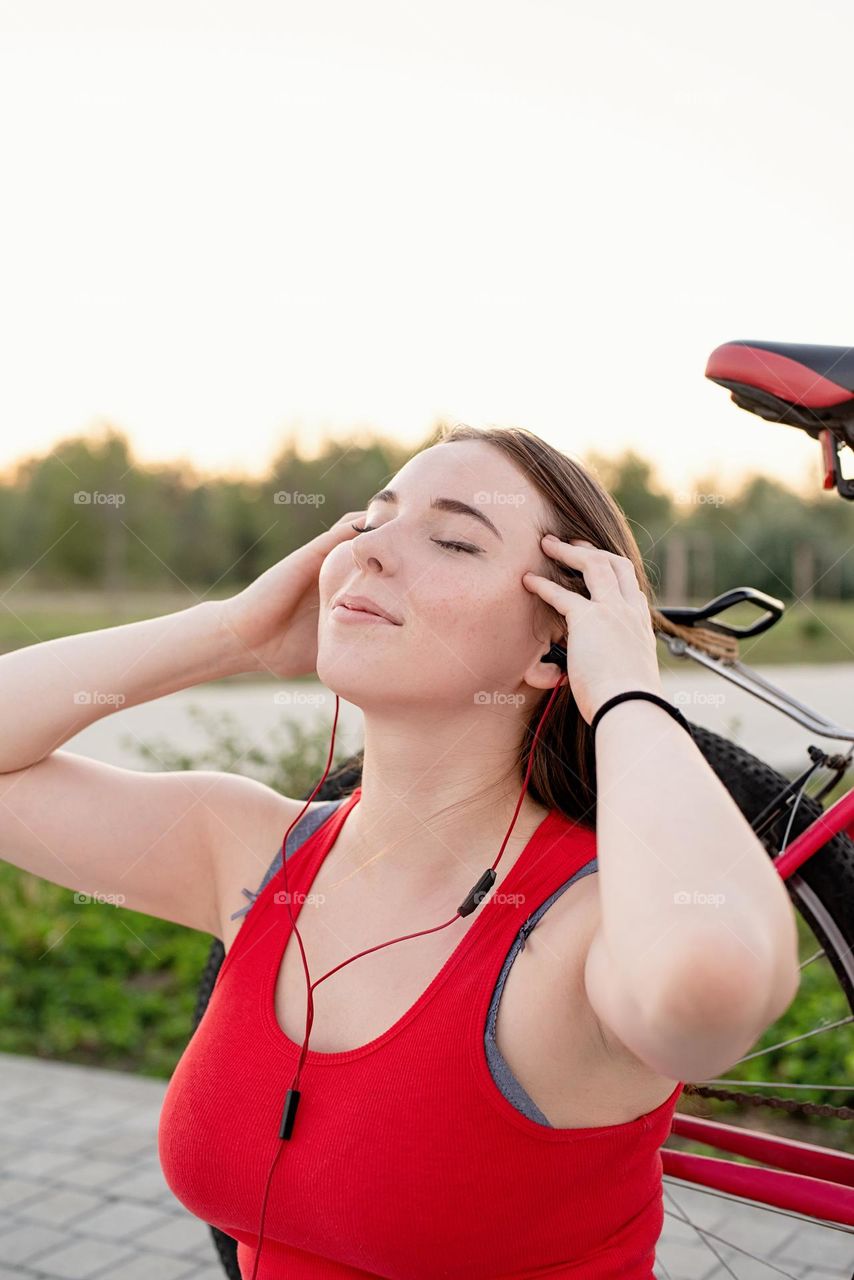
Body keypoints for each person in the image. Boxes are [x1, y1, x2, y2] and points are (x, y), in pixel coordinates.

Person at [0, 423, 800, 1278]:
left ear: (553, 646)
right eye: (370, 520)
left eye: (453, 539)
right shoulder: (245, 849)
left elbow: (711, 991)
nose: (372, 551)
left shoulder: (578, 927)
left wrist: (627, 694)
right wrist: (232, 633)